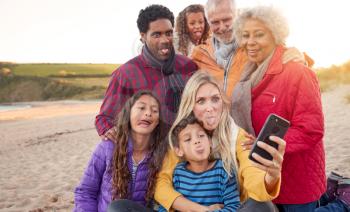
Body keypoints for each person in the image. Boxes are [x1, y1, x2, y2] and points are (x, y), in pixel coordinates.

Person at [231, 6, 325, 211]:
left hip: (296, 182)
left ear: (275, 35)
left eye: (259, 34)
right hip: (263, 179)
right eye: (245, 35)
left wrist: (264, 145)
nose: (250, 42)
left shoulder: (297, 72)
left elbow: (311, 129)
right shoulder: (248, 75)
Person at [155, 71, 286, 211]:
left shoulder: (238, 136)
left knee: (264, 206)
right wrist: (201, 210)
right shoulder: (182, 137)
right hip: (190, 209)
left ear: (222, 102)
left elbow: (251, 175)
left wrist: (271, 177)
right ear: (190, 106)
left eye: (215, 99)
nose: (210, 108)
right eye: (201, 101)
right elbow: (162, 185)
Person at [95, 4, 198, 141]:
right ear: (143, 36)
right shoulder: (126, 74)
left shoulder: (188, 66)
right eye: (156, 35)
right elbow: (105, 118)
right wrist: (109, 130)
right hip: (150, 155)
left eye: (168, 33)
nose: (165, 40)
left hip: (186, 151)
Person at [191, 0, 312, 97]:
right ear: (208, 22)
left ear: (237, 15)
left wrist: (302, 59)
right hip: (218, 125)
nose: (222, 27)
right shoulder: (199, 55)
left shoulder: (254, 45)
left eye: (227, 20)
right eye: (215, 22)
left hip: (252, 123)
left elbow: (286, 62)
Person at [74, 90, 167, 212]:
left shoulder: (160, 154)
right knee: (115, 208)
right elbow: (86, 191)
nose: (148, 113)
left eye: (154, 110)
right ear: (128, 114)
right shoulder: (108, 147)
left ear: (158, 122)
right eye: (141, 108)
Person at [158, 114, 240, 211]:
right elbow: (165, 207)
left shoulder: (223, 170)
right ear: (179, 151)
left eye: (201, 135)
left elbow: (234, 207)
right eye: (188, 139)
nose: (197, 141)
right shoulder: (178, 173)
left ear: (210, 142)